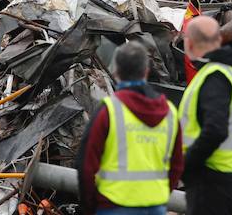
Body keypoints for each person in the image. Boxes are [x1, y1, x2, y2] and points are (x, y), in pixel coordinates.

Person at [76, 41, 184, 215]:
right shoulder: (170, 113)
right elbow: (177, 165)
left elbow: (86, 165)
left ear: (115, 72)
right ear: (146, 71)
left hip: (113, 205)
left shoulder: (110, 111)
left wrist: (90, 206)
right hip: (155, 206)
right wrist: (162, 196)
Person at [178, 16, 232, 215]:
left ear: (190, 43)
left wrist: (187, 164)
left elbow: (215, 130)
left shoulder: (216, 77)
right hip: (224, 175)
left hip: (210, 177)